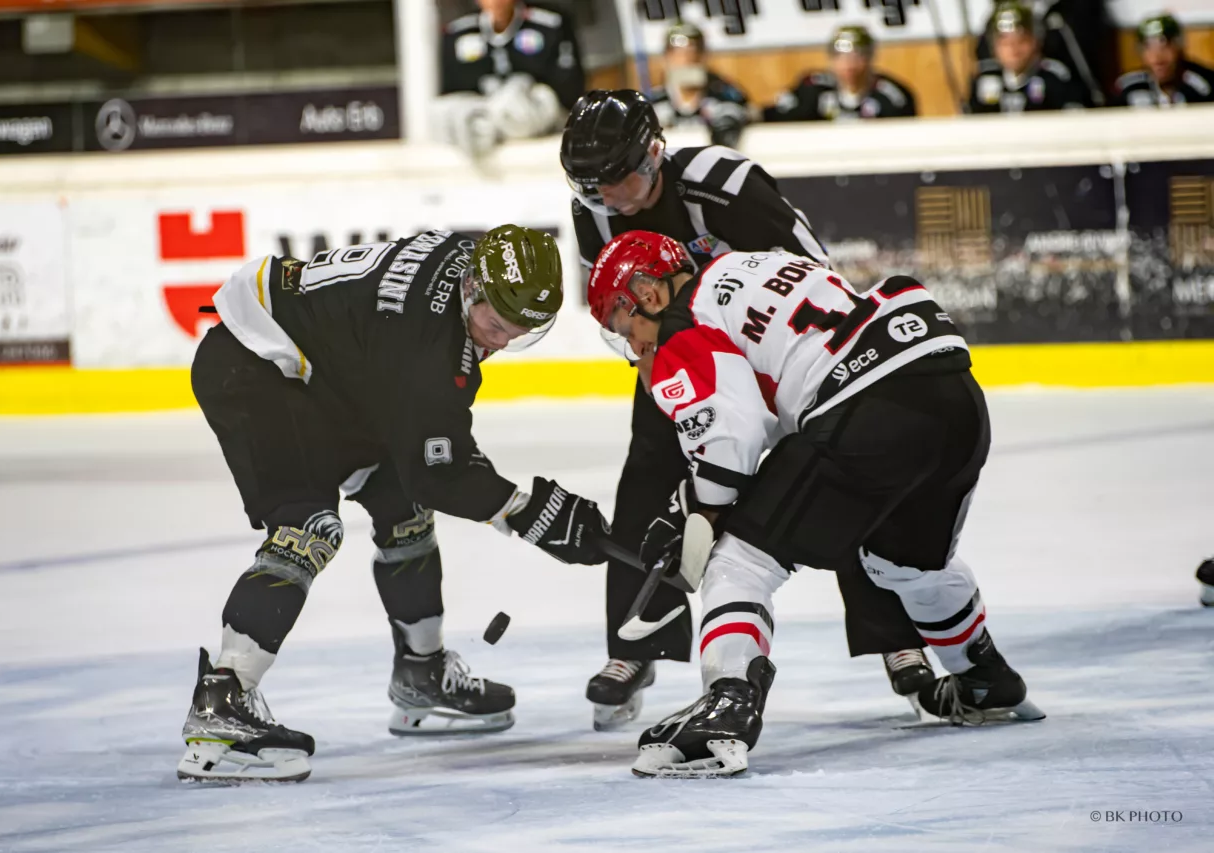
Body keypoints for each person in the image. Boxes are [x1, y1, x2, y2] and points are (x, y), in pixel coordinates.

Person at [587, 230, 1043, 777]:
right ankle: (985, 679)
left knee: (737, 559)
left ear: (649, 291)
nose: (635, 346)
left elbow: (731, 441)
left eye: (625, 325)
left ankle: (727, 707)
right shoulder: (754, 263)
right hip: (952, 396)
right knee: (906, 564)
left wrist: (700, 510)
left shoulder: (684, 326)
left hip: (866, 410)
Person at [560, 88, 936, 733]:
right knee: (648, 469)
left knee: (841, 468)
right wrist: (665, 392)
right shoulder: (593, 210)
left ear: (654, 153)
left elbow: (813, 272)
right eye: (592, 187)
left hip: (782, 353)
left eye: (616, 180)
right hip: (688, 355)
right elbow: (630, 319)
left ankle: (897, 635)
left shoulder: (724, 183)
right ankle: (634, 646)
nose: (609, 200)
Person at [178, 226, 610, 782]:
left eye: (520, 332)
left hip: (331, 375)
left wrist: (517, 506)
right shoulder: (425, 341)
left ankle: (421, 673)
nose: (502, 343)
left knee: (403, 508)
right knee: (308, 527)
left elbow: (429, 453)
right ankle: (222, 706)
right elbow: (443, 472)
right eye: (496, 326)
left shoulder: (476, 262)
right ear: (472, 290)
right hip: (258, 364)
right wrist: (532, 514)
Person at [434, 0, 585, 156]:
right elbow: (451, 93)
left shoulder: (551, 24)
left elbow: (567, 92)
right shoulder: (457, 33)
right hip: (478, 126)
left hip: (537, 127)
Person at [763, 25, 917, 122]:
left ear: (870, 57)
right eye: (840, 56)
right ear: (831, 58)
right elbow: (775, 117)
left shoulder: (892, 96)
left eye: (858, 56)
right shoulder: (812, 88)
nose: (848, 63)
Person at [968, 1, 1090, 113]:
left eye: (1021, 41)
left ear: (1035, 42)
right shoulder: (985, 79)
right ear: (994, 47)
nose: (1013, 49)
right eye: (1005, 44)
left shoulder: (1054, 78)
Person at [647, 21, 751, 149]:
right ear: (666, 58)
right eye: (678, 54)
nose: (687, 60)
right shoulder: (652, 103)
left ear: (705, 56)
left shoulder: (726, 97)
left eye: (694, 52)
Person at [1114, 13, 1214, 108]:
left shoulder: (1204, 85)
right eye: (1148, 47)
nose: (1157, 58)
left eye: (1165, 46)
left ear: (1179, 46)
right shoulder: (1129, 88)